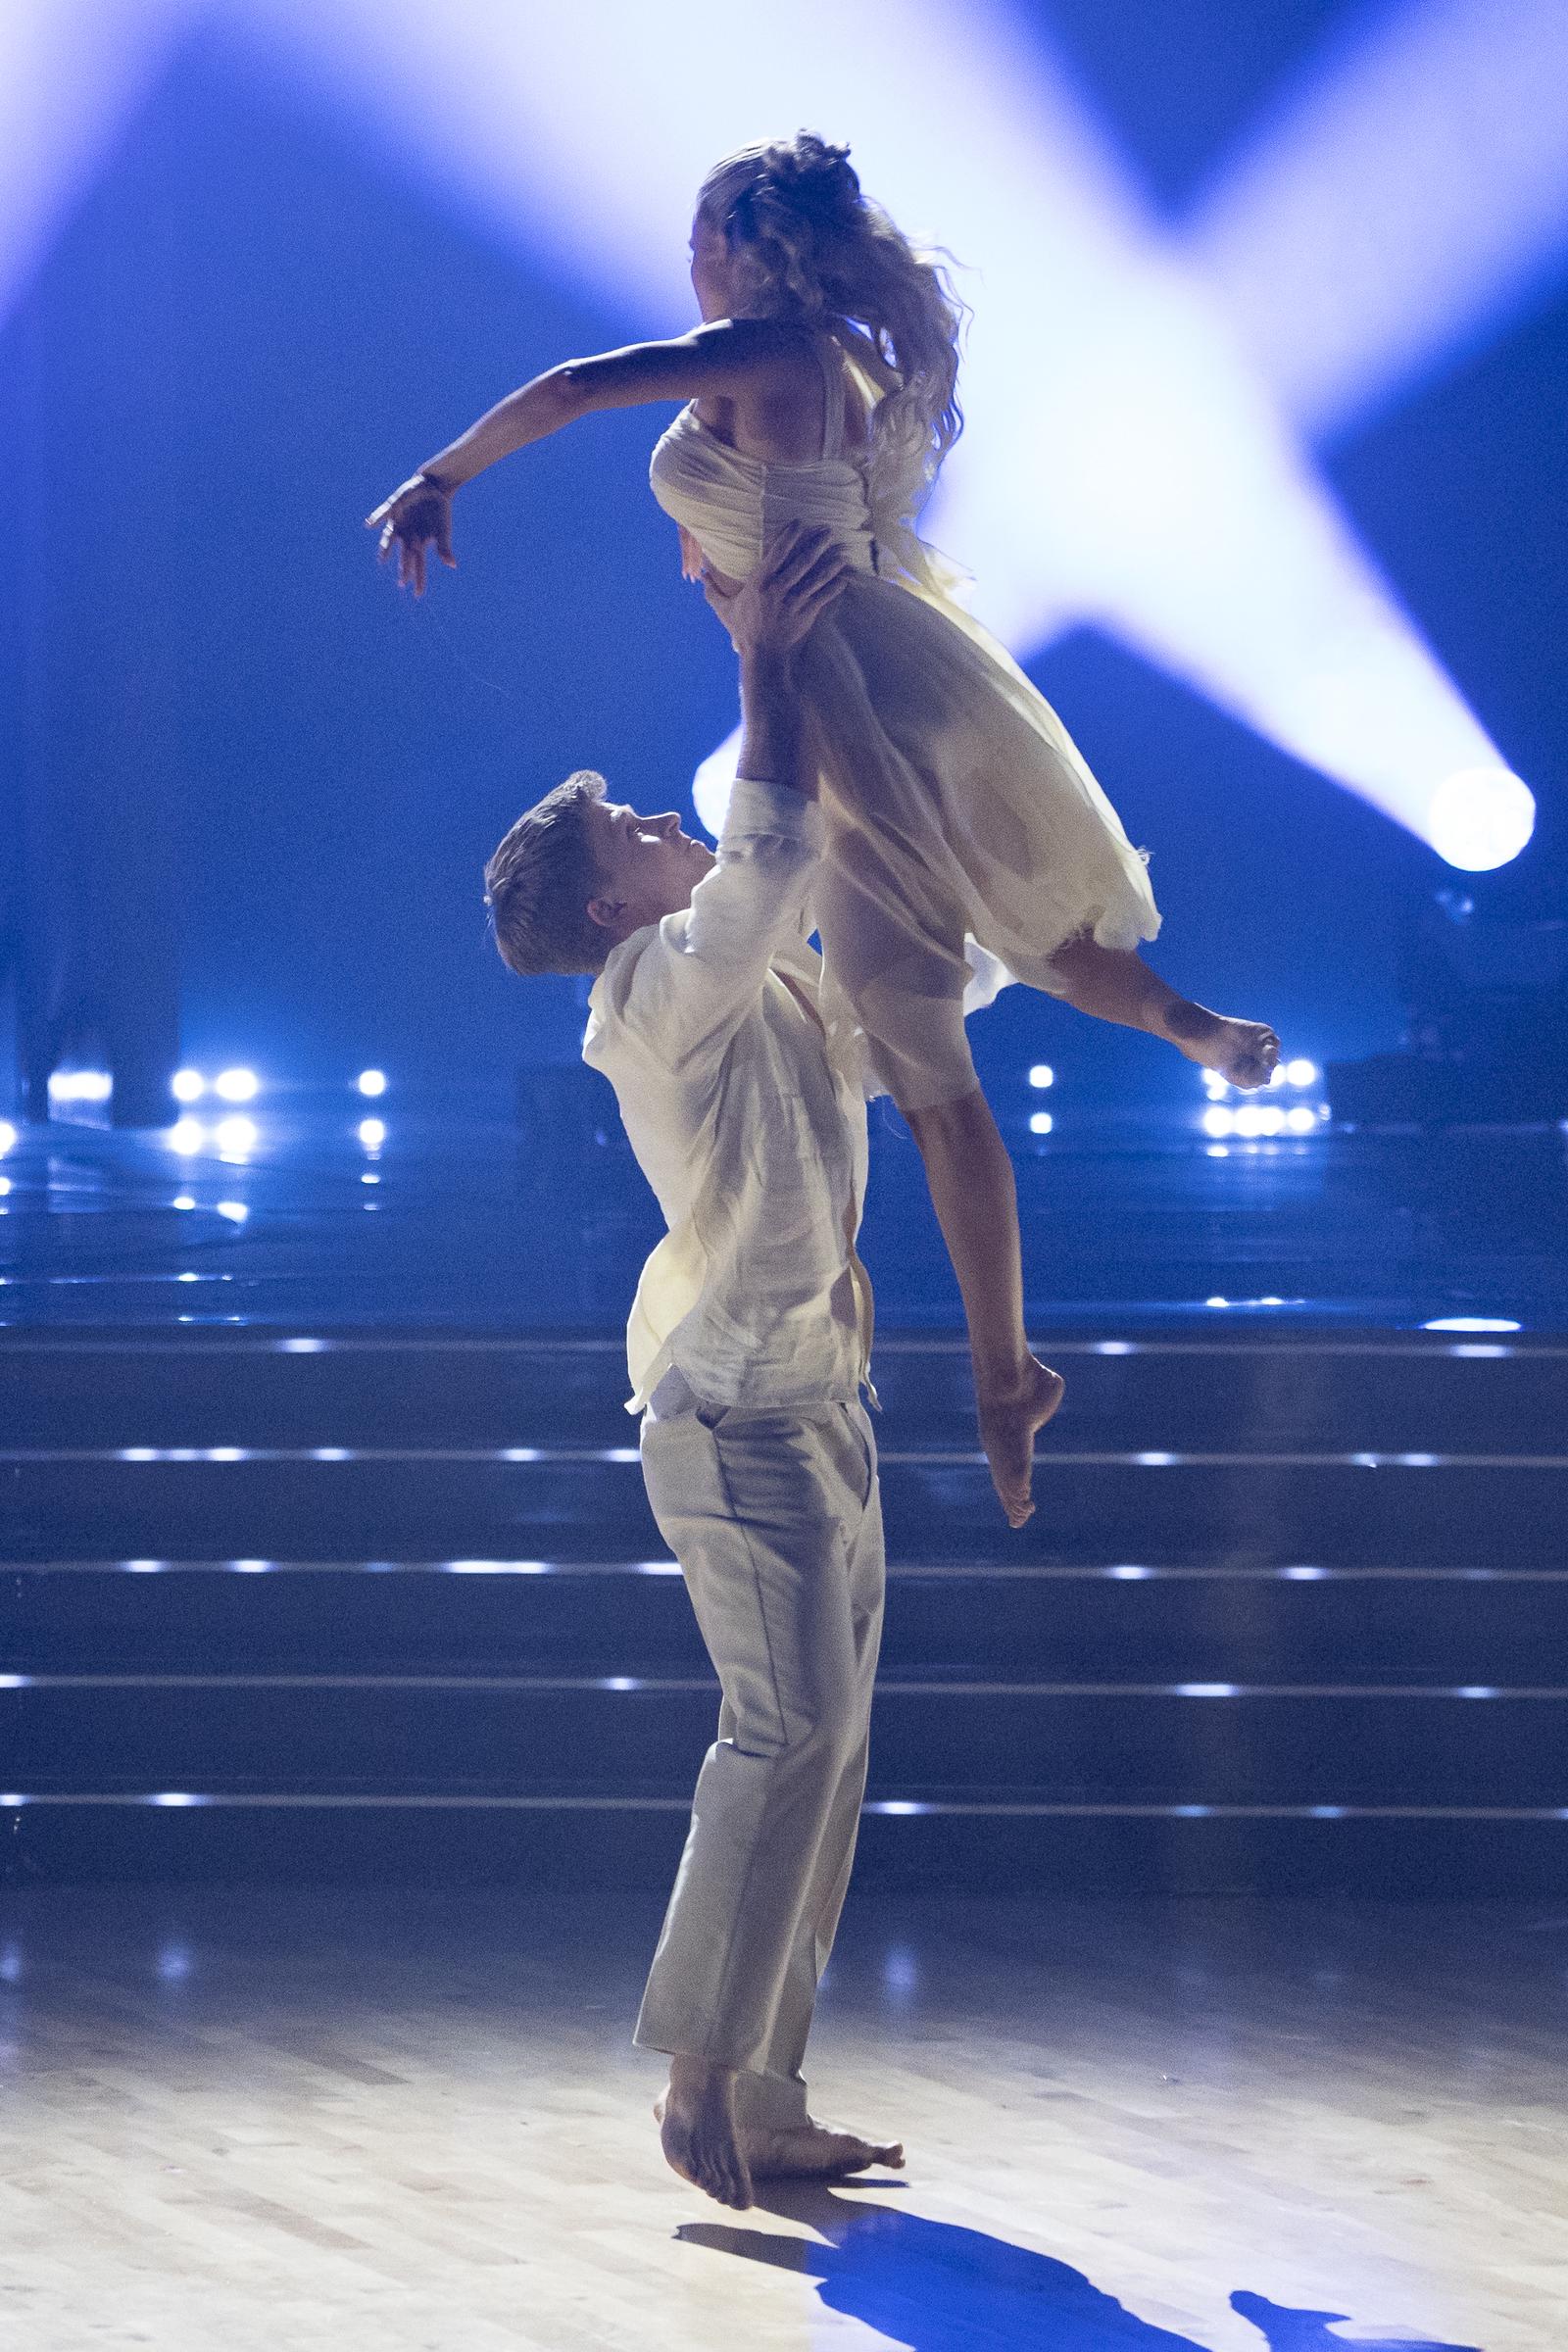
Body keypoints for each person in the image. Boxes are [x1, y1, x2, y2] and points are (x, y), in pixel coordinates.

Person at [368, 130, 1282, 1526]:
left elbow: (575, 388)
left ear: (747, 247)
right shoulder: (822, 360)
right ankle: (1171, 1061)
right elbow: (762, 502)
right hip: (878, 671)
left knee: (931, 1027)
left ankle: (1008, 1369)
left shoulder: (768, 352)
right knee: (983, 930)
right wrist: (716, 540)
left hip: (839, 689)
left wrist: (442, 474)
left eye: (701, 237)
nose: (687, 261)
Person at [481, 523, 904, 2212]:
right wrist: (764, 658)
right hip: (733, 1423)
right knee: (785, 1735)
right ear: (612, 906)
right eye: (639, 835)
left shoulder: (753, 986)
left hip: (824, 1400)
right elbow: (774, 836)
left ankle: (768, 2090)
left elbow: (886, 995)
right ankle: (695, 2075)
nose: (672, 825)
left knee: (831, 1753)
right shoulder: (649, 995)